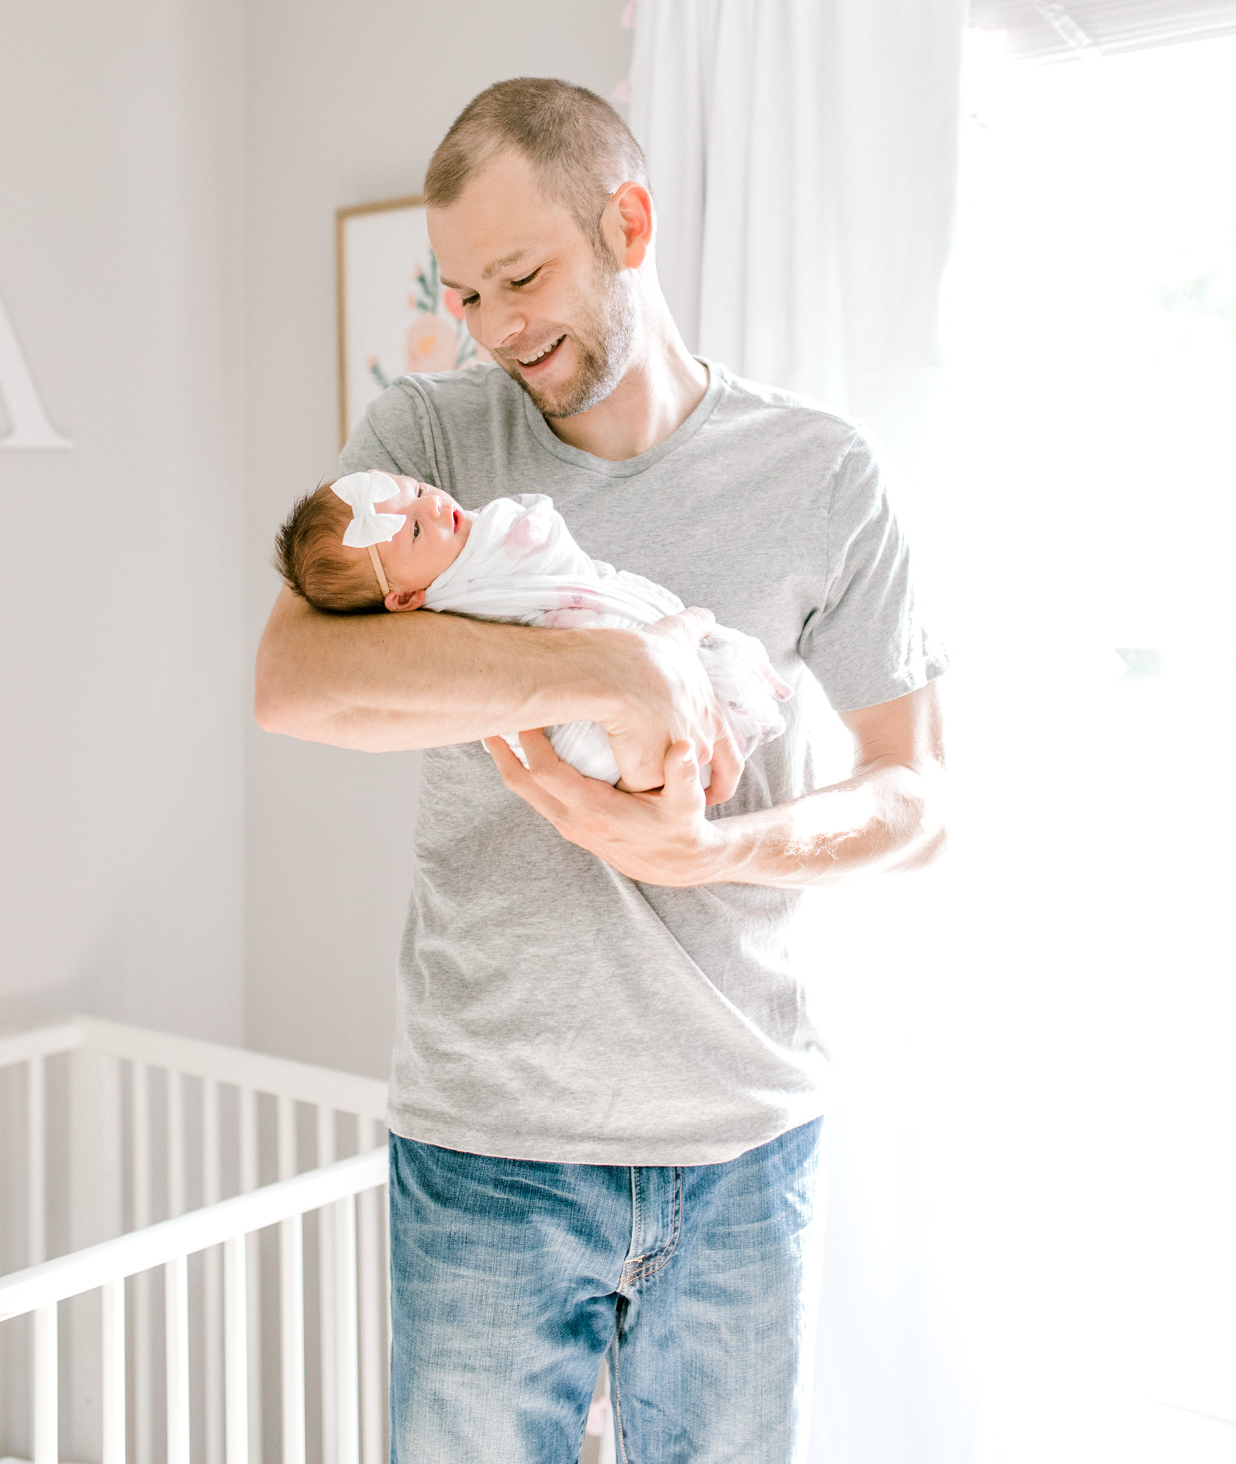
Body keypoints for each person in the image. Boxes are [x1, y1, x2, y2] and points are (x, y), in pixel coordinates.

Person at [254, 76, 947, 1464]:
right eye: (462, 295)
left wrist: (722, 851)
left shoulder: (820, 473)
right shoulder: (426, 447)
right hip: (490, 1149)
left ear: (626, 222)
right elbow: (295, 682)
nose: (497, 328)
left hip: (743, 1139)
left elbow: (915, 796)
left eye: (522, 274)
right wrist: (604, 676)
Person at [271, 469, 789, 784]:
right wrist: (624, 669)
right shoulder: (454, 599)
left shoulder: (462, 537)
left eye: (419, 489)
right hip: (576, 735)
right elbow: (283, 693)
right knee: (599, 747)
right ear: (403, 599)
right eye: (412, 528)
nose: (433, 504)